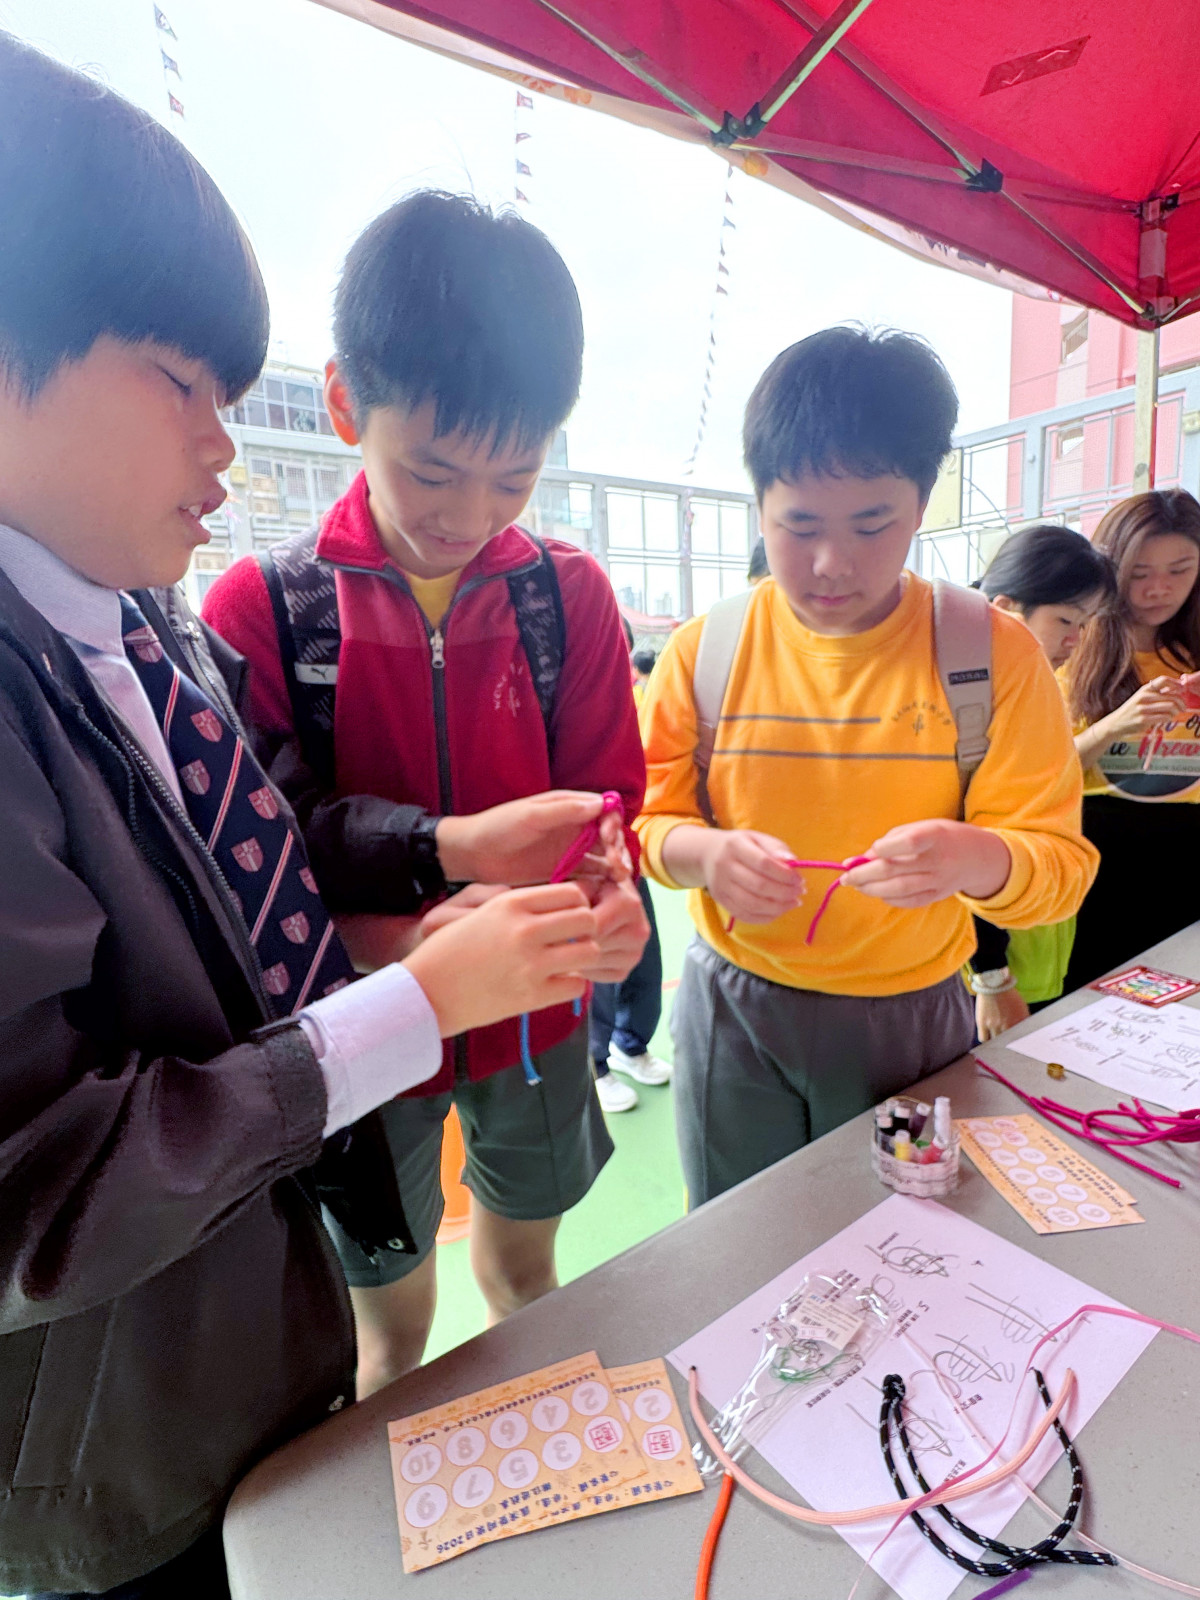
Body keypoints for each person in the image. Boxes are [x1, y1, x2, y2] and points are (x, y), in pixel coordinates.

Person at [0, 38, 619, 1600]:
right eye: (181, 383)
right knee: (380, 1341)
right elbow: (39, 1189)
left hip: (247, 1313)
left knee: (480, 1295)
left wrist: (453, 850)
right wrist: (416, 994)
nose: (223, 440)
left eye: (515, 480)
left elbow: (263, 834)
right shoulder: (233, 607)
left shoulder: (143, 622)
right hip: (117, 1438)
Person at [203, 191, 648, 1395]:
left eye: (515, 478)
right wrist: (413, 932)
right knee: (388, 1331)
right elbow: (266, 858)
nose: (469, 516)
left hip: (538, 1018)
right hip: (360, 1025)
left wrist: (612, 902)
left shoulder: (567, 597)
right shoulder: (264, 608)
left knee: (526, 1278)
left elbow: (608, 804)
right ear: (346, 404)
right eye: (433, 471)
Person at [635, 326, 1098, 1207]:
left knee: (909, 1235)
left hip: (913, 1018)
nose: (831, 564)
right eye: (799, 525)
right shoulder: (706, 651)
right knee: (736, 1234)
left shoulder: (991, 655)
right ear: (759, 506)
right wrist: (704, 856)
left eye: (872, 524)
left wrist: (973, 858)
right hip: (734, 1008)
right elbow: (647, 819)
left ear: (921, 505)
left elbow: (1061, 869)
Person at [970, 523, 1116, 1037]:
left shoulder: (1032, 688)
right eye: (1065, 621)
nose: (1076, 641)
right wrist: (992, 977)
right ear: (1006, 609)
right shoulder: (973, 704)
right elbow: (972, 840)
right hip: (986, 966)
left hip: (1035, 944)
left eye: (1085, 624)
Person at [1062, 489, 1200, 988]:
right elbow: (1033, 778)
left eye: (1180, 569)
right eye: (1139, 573)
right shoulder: (1067, 650)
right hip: (1098, 858)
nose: (1159, 589)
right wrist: (1114, 725)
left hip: (1187, 860)